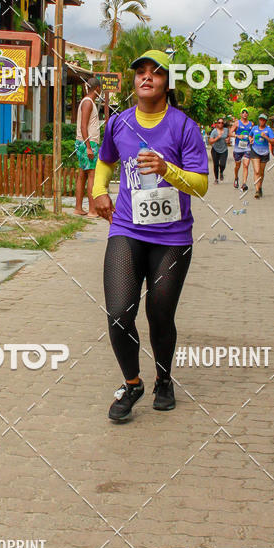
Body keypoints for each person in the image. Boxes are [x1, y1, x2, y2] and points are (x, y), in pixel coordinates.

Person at [92, 50, 208, 421]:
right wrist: (98, 191)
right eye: (140, 72)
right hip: (126, 229)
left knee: (159, 314)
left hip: (172, 238)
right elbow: (105, 160)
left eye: (155, 73)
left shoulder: (184, 127)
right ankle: (133, 383)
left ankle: (164, 379)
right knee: (118, 313)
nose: (146, 77)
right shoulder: (119, 123)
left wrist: (167, 168)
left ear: (167, 83)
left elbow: (201, 185)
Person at [74, 77, 102, 216]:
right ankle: (92, 210)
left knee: (82, 175)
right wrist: (89, 147)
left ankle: (78, 208)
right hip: (88, 143)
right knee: (91, 175)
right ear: (97, 89)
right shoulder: (88, 102)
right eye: (100, 90)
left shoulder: (87, 102)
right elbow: (83, 126)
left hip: (85, 142)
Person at [249, 113, 274, 198]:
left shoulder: (268, 130)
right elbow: (250, 135)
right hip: (255, 151)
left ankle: (260, 187)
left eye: (263, 120)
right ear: (259, 120)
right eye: (260, 119)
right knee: (256, 171)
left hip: (264, 152)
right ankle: (256, 190)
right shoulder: (254, 128)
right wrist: (251, 139)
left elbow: (273, 141)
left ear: (265, 121)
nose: (261, 121)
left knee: (261, 172)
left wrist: (266, 137)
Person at [228, 108, 252, 191]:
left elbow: (252, 134)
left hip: (247, 148)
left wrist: (251, 139)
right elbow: (230, 133)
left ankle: (244, 183)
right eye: (243, 112)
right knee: (237, 166)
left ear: (248, 114)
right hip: (238, 148)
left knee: (246, 165)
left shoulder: (251, 124)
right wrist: (237, 136)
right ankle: (236, 177)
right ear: (240, 114)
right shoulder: (237, 123)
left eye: (246, 113)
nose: (245, 114)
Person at [208, 118, 228, 183]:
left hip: (224, 149)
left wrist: (228, 140)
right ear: (217, 124)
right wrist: (217, 138)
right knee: (216, 164)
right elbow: (210, 141)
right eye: (219, 122)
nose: (221, 124)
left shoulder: (226, 130)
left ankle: (221, 171)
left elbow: (229, 137)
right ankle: (216, 179)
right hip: (215, 150)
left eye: (222, 123)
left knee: (222, 164)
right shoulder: (214, 131)